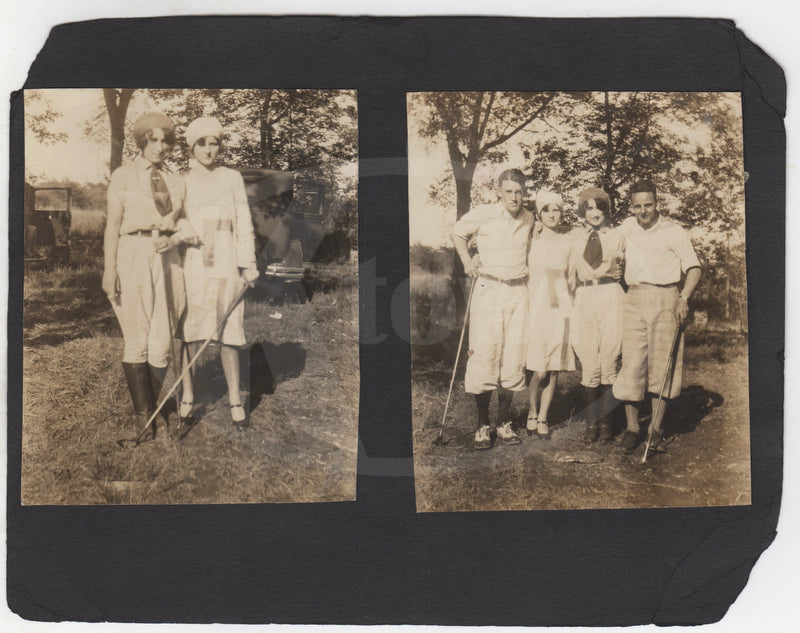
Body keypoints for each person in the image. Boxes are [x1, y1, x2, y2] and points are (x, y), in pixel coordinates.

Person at [102, 112, 198, 440]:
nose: (159, 147)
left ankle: (156, 410)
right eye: (152, 140)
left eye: (165, 140)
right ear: (142, 141)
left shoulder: (177, 180)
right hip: (132, 254)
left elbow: (185, 221)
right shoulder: (123, 176)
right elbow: (112, 226)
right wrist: (109, 268)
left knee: (160, 343)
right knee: (136, 339)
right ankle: (143, 419)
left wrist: (176, 236)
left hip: (168, 258)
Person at [179, 117, 260, 426]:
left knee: (229, 331)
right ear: (192, 147)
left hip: (226, 260)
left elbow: (244, 222)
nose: (209, 149)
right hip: (195, 261)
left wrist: (247, 264)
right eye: (202, 143)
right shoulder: (183, 180)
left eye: (214, 143)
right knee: (193, 331)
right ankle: (188, 395)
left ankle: (235, 400)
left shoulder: (231, 178)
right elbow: (175, 218)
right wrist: (184, 228)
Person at [612, 180, 701, 454]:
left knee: (663, 365)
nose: (643, 211)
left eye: (648, 204)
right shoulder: (627, 227)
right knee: (632, 364)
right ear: (631, 207)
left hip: (667, 298)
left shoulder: (673, 231)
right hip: (634, 297)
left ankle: (655, 431)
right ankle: (632, 429)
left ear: (657, 203)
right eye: (637, 206)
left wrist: (683, 298)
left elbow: (694, 268)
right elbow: (603, 238)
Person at [452, 168, 533, 450]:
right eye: (508, 191)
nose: (514, 197)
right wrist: (466, 261)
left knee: (513, 357)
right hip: (488, 289)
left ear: (525, 193)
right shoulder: (484, 213)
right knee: (484, 354)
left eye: (519, 192)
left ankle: (504, 423)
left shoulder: (530, 218)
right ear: (498, 191)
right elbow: (457, 232)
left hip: (519, 291)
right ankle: (482, 426)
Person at [568, 187, 625, 443]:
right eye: (589, 208)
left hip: (611, 295)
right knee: (589, 360)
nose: (595, 213)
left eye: (600, 207)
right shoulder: (573, 236)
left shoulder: (619, 235)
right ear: (582, 211)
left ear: (607, 211)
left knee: (610, 359)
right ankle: (591, 424)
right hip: (584, 296)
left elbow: (631, 262)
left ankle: (607, 425)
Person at [525, 190, 575, 437]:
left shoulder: (568, 241)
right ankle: (531, 411)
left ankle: (544, 416)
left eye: (556, 209)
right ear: (538, 213)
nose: (552, 214)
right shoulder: (530, 237)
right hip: (535, 301)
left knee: (553, 367)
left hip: (559, 301)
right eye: (546, 210)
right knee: (538, 368)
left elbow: (573, 276)